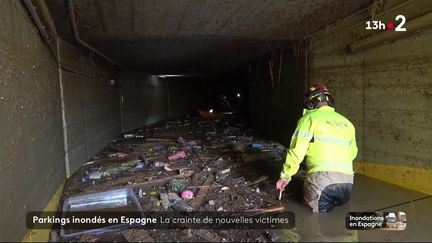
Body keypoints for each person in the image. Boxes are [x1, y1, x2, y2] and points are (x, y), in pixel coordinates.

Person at [276, 83, 358, 213]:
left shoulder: (309, 119)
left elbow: (297, 151)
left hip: (322, 184)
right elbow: (352, 154)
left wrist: (285, 176)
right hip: (347, 185)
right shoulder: (347, 123)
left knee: (315, 222)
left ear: (309, 103)